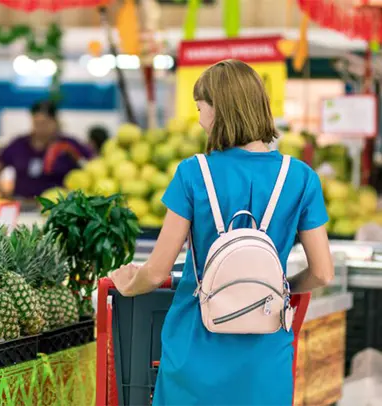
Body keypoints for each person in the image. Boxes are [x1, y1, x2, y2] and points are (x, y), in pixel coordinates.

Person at [110, 59, 334, 405]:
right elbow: (321, 273)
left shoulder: (193, 173)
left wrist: (128, 284)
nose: (199, 119)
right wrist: (277, 290)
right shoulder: (301, 177)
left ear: (219, 111)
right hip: (266, 351)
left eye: (201, 108)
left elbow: (155, 272)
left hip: (194, 348)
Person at [0, 100, 93, 199]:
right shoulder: (19, 144)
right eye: (36, 123)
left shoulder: (69, 144)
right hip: (22, 204)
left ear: (55, 122)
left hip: (58, 207)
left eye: (45, 123)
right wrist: (1, 193)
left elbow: (91, 165)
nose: (40, 128)